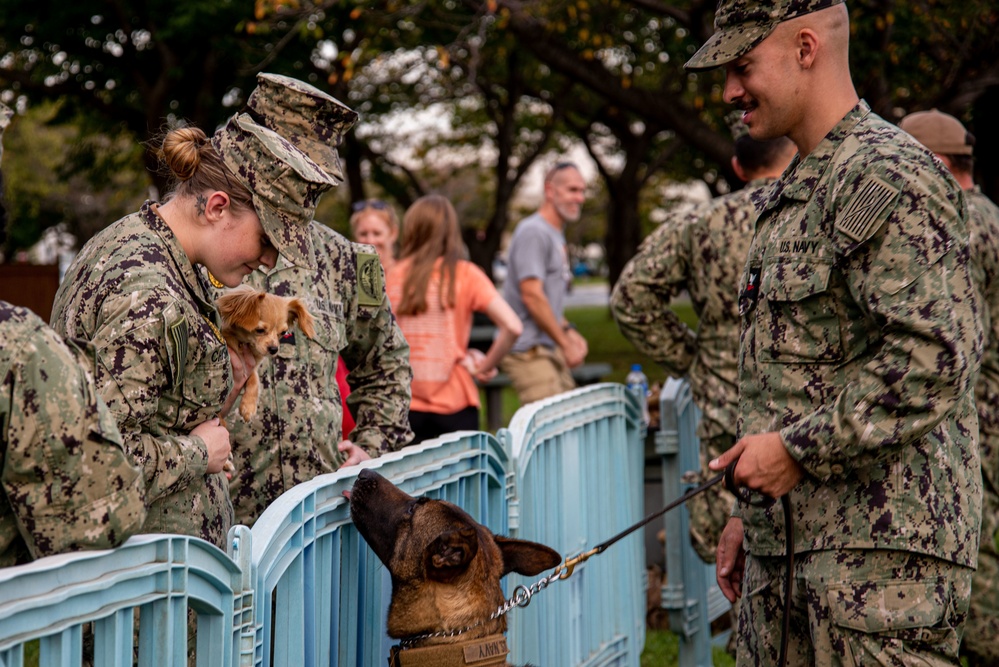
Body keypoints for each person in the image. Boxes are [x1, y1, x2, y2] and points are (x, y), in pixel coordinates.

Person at [686, 1, 983, 665]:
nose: (730, 91)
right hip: (793, 553)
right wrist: (750, 515)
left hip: (879, 572)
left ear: (805, 48)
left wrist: (794, 450)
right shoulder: (805, 185)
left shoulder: (886, 174)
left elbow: (933, 357)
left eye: (741, 65)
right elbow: (795, 375)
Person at [50, 113, 338, 548]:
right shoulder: (146, 294)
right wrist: (199, 454)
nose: (267, 262)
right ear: (217, 207)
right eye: (265, 241)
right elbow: (97, 461)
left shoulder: (155, 253)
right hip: (139, 585)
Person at [222, 73, 413, 527]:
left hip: (319, 518)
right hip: (224, 521)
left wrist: (372, 444)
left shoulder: (347, 262)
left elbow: (386, 363)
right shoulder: (203, 254)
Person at [610, 122, 796, 565]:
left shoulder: (700, 221)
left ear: (737, 166)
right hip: (808, 409)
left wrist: (693, 358)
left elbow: (631, 297)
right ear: (794, 157)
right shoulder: (816, 208)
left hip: (724, 401)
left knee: (736, 553)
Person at [899, 108, 999, 667]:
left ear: (935, 163)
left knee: (973, 557)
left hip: (972, 420)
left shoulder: (952, 220)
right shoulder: (993, 216)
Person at [386, 194, 522, 442]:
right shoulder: (465, 274)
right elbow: (512, 326)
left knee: (406, 482)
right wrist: (485, 366)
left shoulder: (392, 275)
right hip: (456, 402)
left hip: (403, 404)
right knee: (461, 481)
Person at [500, 162, 589, 404]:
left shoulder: (553, 233)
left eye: (582, 191)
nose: (580, 198)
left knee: (570, 427)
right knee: (553, 435)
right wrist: (565, 343)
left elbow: (546, 301)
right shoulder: (533, 232)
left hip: (548, 349)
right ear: (550, 191)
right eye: (572, 190)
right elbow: (532, 296)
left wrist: (569, 331)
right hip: (528, 351)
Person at [350, 199, 400, 273]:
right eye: (363, 234)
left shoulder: (409, 276)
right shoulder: (346, 279)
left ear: (393, 233)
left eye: (377, 233)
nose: (370, 241)